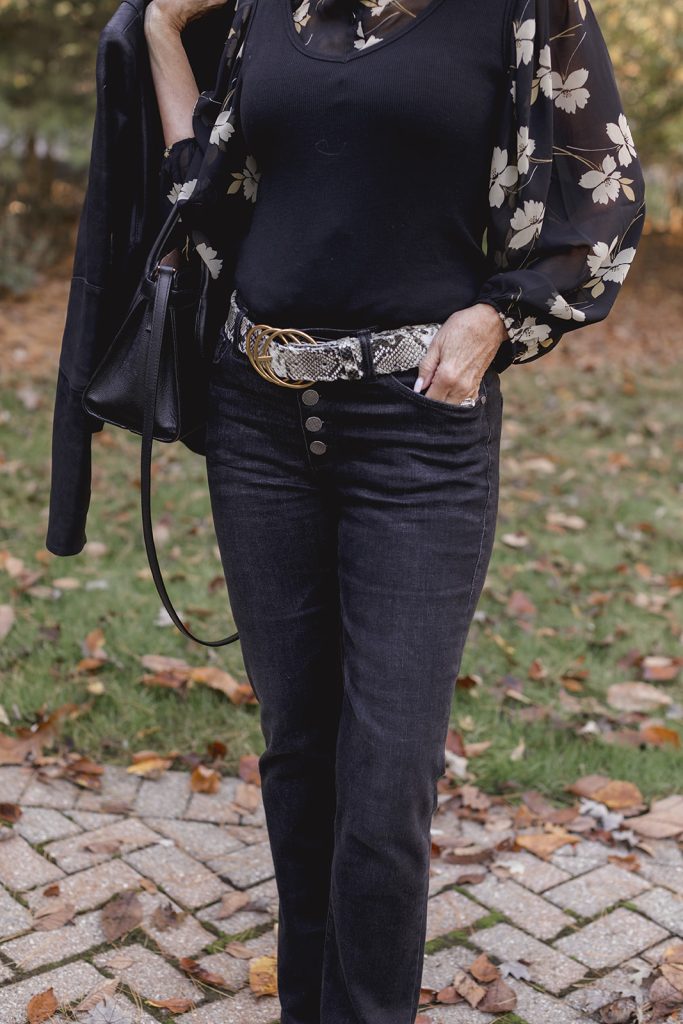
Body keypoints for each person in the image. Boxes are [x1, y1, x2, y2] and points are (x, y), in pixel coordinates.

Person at [144, 1, 646, 1021]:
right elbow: (207, 185)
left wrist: (497, 319)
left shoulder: (518, 10)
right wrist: (158, 29)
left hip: (417, 431)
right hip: (259, 420)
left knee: (383, 783)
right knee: (296, 751)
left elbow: (604, 198)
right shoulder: (269, 9)